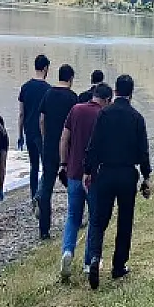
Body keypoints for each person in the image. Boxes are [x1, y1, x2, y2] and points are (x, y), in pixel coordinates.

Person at [83, 75, 152, 290]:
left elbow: (94, 145)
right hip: (127, 174)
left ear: (115, 91)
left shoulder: (104, 114)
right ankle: (118, 265)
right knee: (125, 220)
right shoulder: (137, 117)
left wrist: (88, 170)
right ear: (132, 93)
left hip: (105, 173)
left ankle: (94, 257)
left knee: (98, 219)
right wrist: (146, 175)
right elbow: (143, 151)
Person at [58, 83, 111, 283]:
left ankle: (67, 251)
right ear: (106, 100)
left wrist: (63, 164)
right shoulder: (104, 116)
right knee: (94, 219)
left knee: (73, 216)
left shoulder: (76, 109)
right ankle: (89, 263)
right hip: (94, 176)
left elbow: (64, 139)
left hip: (73, 172)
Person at [36, 64, 78, 240]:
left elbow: (42, 120)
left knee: (46, 187)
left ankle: (44, 230)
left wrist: (46, 139)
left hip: (49, 147)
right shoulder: (73, 98)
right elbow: (75, 125)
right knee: (73, 186)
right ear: (71, 79)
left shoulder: (48, 94)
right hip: (67, 149)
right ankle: (75, 220)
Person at [18, 54, 51, 203]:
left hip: (28, 131)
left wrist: (20, 135)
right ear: (45, 68)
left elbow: (21, 114)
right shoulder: (48, 89)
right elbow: (47, 115)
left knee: (33, 166)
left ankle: (33, 196)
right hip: (42, 133)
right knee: (46, 166)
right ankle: (42, 195)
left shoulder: (25, 87)